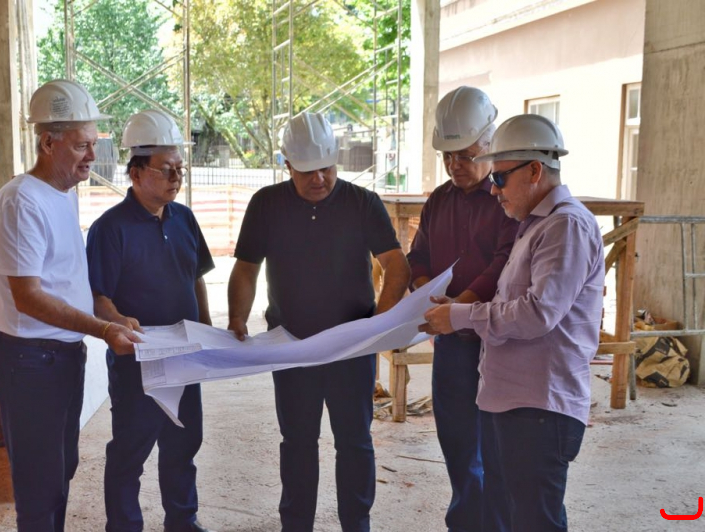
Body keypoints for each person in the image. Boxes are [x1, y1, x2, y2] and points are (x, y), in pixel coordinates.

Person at [227, 112, 410, 532]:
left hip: (351, 348)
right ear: (287, 164)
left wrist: (376, 326)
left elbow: (396, 266)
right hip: (292, 346)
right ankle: (296, 524)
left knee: (355, 442)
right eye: (308, 171)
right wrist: (237, 317)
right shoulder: (267, 204)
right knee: (297, 443)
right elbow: (246, 269)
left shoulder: (362, 203)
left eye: (327, 168)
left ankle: (356, 524)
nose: (319, 179)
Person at [422, 114, 605, 532]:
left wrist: (459, 315)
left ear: (535, 170)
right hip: (513, 404)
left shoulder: (565, 226)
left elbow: (537, 313)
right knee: (506, 514)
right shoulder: (534, 226)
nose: (494, 189)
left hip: (539, 409)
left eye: (500, 178)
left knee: (534, 520)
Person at [0, 79, 140, 532]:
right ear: (47, 143)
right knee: (39, 491)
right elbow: (28, 297)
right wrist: (103, 330)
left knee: (58, 475)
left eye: (94, 143)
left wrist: (110, 316)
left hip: (59, 359)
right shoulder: (22, 201)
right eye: (80, 145)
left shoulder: (63, 195)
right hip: (30, 363)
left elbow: (67, 280)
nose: (92, 155)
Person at [86, 110, 216, 532]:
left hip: (185, 356)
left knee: (183, 443)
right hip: (138, 361)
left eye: (180, 168)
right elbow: (98, 298)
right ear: (137, 172)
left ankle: (182, 520)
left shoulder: (184, 219)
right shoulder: (110, 229)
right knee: (131, 450)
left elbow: (196, 277)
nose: (176, 177)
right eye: (166, 169)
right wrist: (119, 322)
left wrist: (207, 330)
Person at [407, 86, 518, 532]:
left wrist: (458, 308)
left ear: (490, 145)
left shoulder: (507, 198)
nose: (456, 165)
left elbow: (502, 264)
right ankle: (466, 522)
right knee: (455, 439)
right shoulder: (439, 199)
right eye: (448, 156)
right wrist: (425, 292)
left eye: (466, 155)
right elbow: (418, 255)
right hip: (452, 344)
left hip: (497, 341)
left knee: (497, 446)